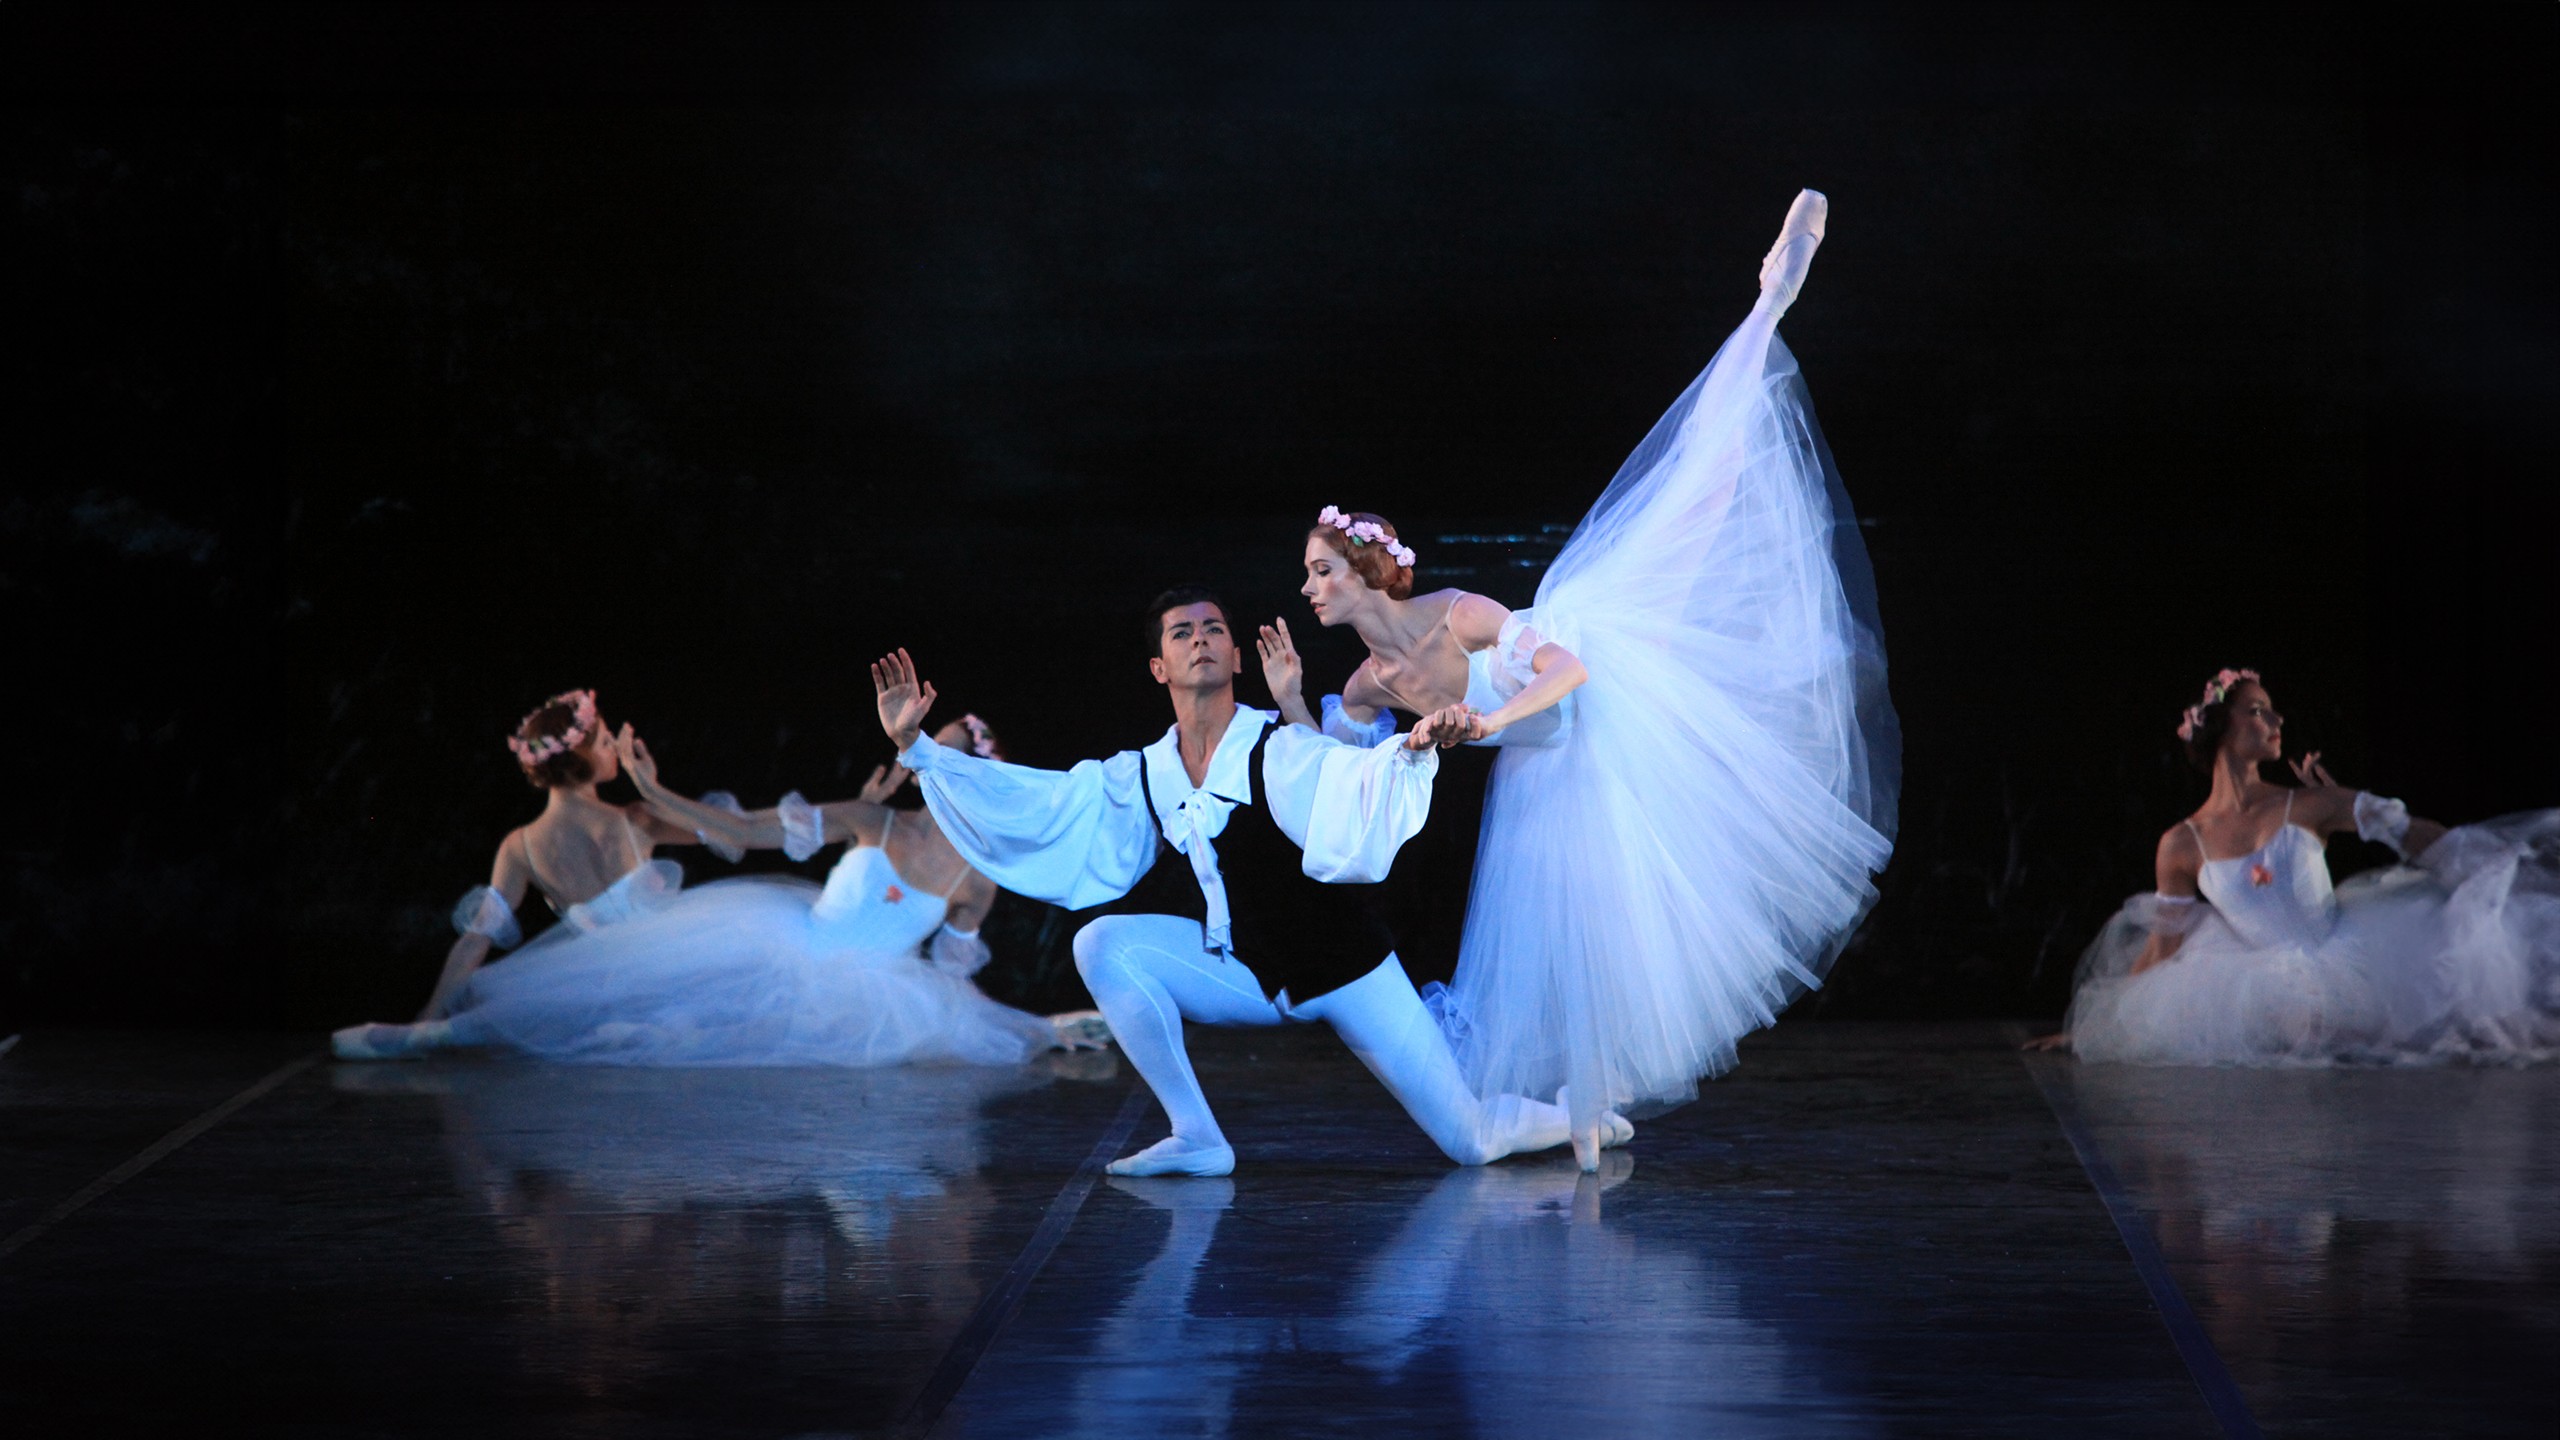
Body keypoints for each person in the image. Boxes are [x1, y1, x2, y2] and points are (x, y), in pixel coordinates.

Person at [1262, 189, 1899, 1166]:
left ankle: (1768, 302)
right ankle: (1590, 1109)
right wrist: (1290, 702)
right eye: (1307, 576)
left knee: (1697, 501)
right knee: (1570, 935)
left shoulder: (1456, 612)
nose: (1308, 588)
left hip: (1601, 691)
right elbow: (1338, 778)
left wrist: (1486, 720)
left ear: (1362, 571)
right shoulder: (1366, 688)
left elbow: (1570, 668)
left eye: (1319, 572)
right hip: (1545, 768)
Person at [872, 587, 1628, 1178]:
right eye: (1182, 633)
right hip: (1247, 976)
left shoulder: (1277, 745)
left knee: (1472, 1142)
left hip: (1345, 970)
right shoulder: (1146, 772)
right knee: (1102, 942)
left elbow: (1349, 778)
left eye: (1213, 630)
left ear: (1237, 657)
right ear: (1159, 667)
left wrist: (1410, 750)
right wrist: (918, 749)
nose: (1200, 640)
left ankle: (1578, 1115)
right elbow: (1040, 802)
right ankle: (1196, 1135)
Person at [332, 689, 1090, 1066]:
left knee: (665, 1029)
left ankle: (431, 1030)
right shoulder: (872, 817)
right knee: (655, 1021)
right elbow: (742, 832)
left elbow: (951, 982)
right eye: (926, 745)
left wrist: (1028, 1028)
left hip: (855, 986)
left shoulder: (979, 877)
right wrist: (654, 790)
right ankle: (433, 1032)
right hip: (767, 942)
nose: (925, 757)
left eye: (943, 749)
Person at [2031, 669, 2560, 1064]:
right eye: (2258, 710)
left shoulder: (2306, 805)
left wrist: (2483, 869)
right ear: (2221, 725)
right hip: (2265, 990)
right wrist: (2101, 1027)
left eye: (2273, 710)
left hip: (2353, 965)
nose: (2276, 721)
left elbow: (2408, 830)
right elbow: (2162, 946)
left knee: (2444, 1032)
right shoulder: (2181, 844)